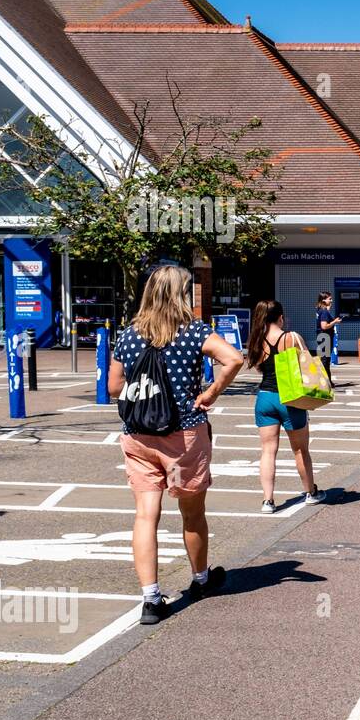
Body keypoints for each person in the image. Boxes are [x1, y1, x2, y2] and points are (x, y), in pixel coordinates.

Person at [108, 264, 243, 625]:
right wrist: (210, 392)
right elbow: (234, 358)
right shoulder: (194, 331)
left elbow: (113, 387)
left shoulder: (129, 335)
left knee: (145, 515)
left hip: (138, 433)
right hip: (184, 432)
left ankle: (151, 599)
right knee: (193, 513)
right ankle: (200, 580)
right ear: (181, 294)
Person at [248, 300, 326, 515]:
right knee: (300, 449)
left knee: (267, 451)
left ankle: (268, 500)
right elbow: (306, 363)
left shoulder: (256, 339)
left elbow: (258, 368)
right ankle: (310, 492)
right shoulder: (291, 337)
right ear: (280, 317)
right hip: (290, 398)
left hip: (264, 397)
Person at [314, 291, 341, 381]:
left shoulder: (319, 309)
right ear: (323, 300)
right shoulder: (324, 311)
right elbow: (324, 326)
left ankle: (325, 381)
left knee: (323, 360)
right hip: (325, 337)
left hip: (321, 336)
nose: (331, 300)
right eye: (329, 299)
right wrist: (335, 322)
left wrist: (328, 309)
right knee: (325, 361)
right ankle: (325, 382)